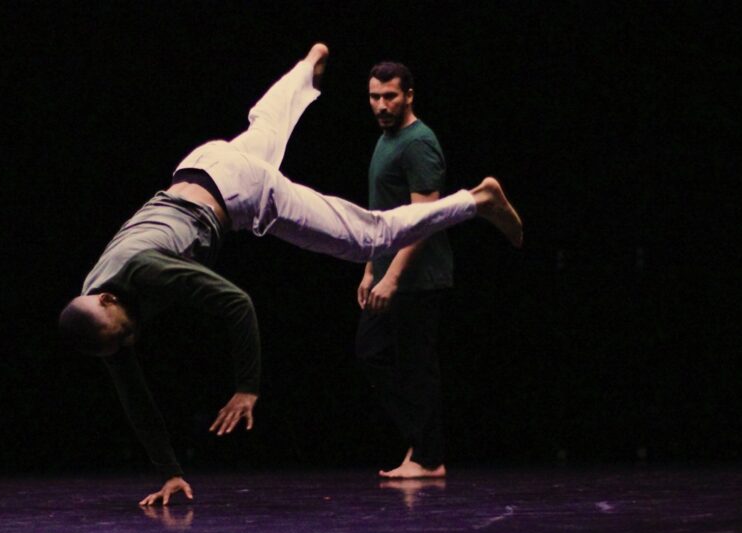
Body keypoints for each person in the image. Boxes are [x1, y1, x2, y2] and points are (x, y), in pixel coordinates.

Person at [59, 44, 522, 505]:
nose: (131, 340)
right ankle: (307, 68)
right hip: (204, 162)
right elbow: (134, 396)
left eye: (126, 332)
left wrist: (247, 387)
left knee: (369, 237)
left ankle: (476, 201)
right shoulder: (97, 313)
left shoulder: (147, 269)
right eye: (121, 343)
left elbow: (236, 303)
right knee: (265, 126)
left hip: (239, 194)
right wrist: (170, 473)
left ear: (109, 301)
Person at [356, 61, 457, 479]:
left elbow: (424, 218)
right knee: (372, 355)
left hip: (418, 278)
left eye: (390, 97)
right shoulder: (387, 139)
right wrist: (368, 269)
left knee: (416, 366)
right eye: (375, 97)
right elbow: (380, 216)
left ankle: (428, 458)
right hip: (386, 272)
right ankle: (423, 448)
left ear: (409, 95)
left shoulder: (418, 143)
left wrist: (393, 276)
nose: (381, 105)